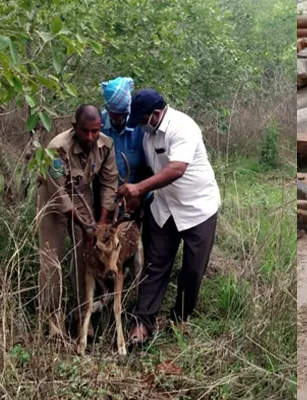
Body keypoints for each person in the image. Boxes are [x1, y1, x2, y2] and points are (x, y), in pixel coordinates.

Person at [117, 89, 220, 344]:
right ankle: (142, 323)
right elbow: (151, 171)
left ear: (156, 114)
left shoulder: (183, 127)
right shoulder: (148, 135)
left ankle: (179, 319)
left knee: (192, 270)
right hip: (165, 209)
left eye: (142, 121)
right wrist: (136, 195)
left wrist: (140, 188)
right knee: (155, 266)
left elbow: (177, 169)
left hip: (198, 209)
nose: (140, 126)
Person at [35, 104, 118, 339]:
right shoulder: (57, 149)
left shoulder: (106, 145)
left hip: (82, 195)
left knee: (86, 256)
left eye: (95, 131)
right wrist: (84, 226)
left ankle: (84, 318)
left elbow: (110, 183)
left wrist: (100, 224)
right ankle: (53, 320)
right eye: (85, 131)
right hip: (53, 199)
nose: (90, 137)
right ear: (74, 127)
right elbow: (59, 194)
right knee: (52, 261)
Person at [94, 76, 150, 220]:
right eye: (113, 113)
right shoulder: (96, 126)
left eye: (122, 113)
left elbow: (149, 167)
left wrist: (139, 193)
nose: (117, 117)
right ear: (107, 107)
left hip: (136, 197)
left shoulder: (141, 129)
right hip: (102, 197)